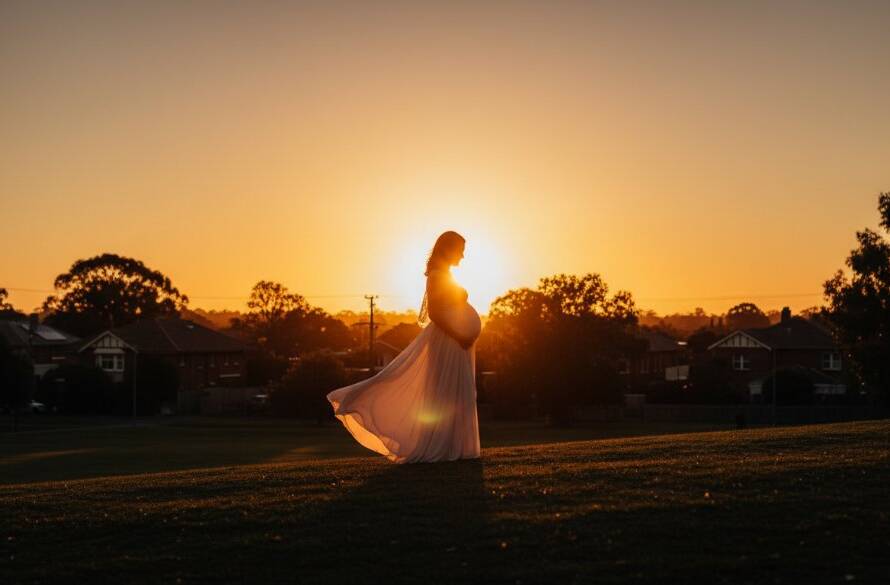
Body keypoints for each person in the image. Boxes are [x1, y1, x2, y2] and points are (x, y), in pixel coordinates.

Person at [326, 230, 482, 463]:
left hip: (457, 342)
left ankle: (455, 448)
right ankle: (442, 448)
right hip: (449, 343)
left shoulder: (446, 275)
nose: (463, 255)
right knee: (446, 394)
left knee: (457, 393)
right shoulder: (437, 275)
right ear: (448, 248)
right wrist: (459, 336)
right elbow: (436, 313)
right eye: (460, 250)